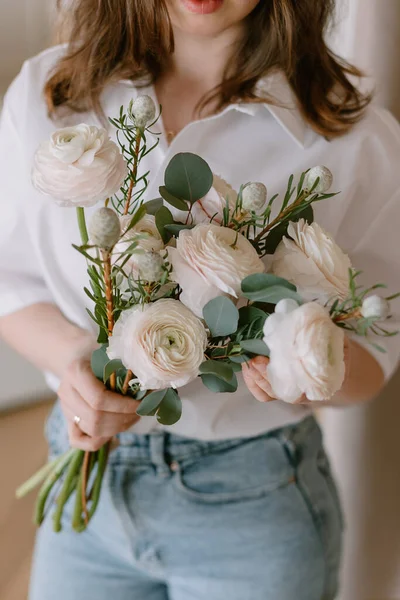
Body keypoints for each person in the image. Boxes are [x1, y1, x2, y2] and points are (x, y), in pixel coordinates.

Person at [0, 0, 399, 598]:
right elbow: (14, 284)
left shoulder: (354, 141)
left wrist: (303, 364)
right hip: (88, 493)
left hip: (253, 509)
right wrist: (75, 358)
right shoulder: (50, 91)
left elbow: (373, 361)